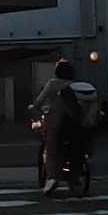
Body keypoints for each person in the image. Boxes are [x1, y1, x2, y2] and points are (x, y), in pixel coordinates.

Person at [33, 59, 76, 194]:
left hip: (57, 121)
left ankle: (52, 178)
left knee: (51, 149)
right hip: (75, 121)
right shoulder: (74, 85)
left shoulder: (52, 84)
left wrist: (34, 107)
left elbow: (39, 100)